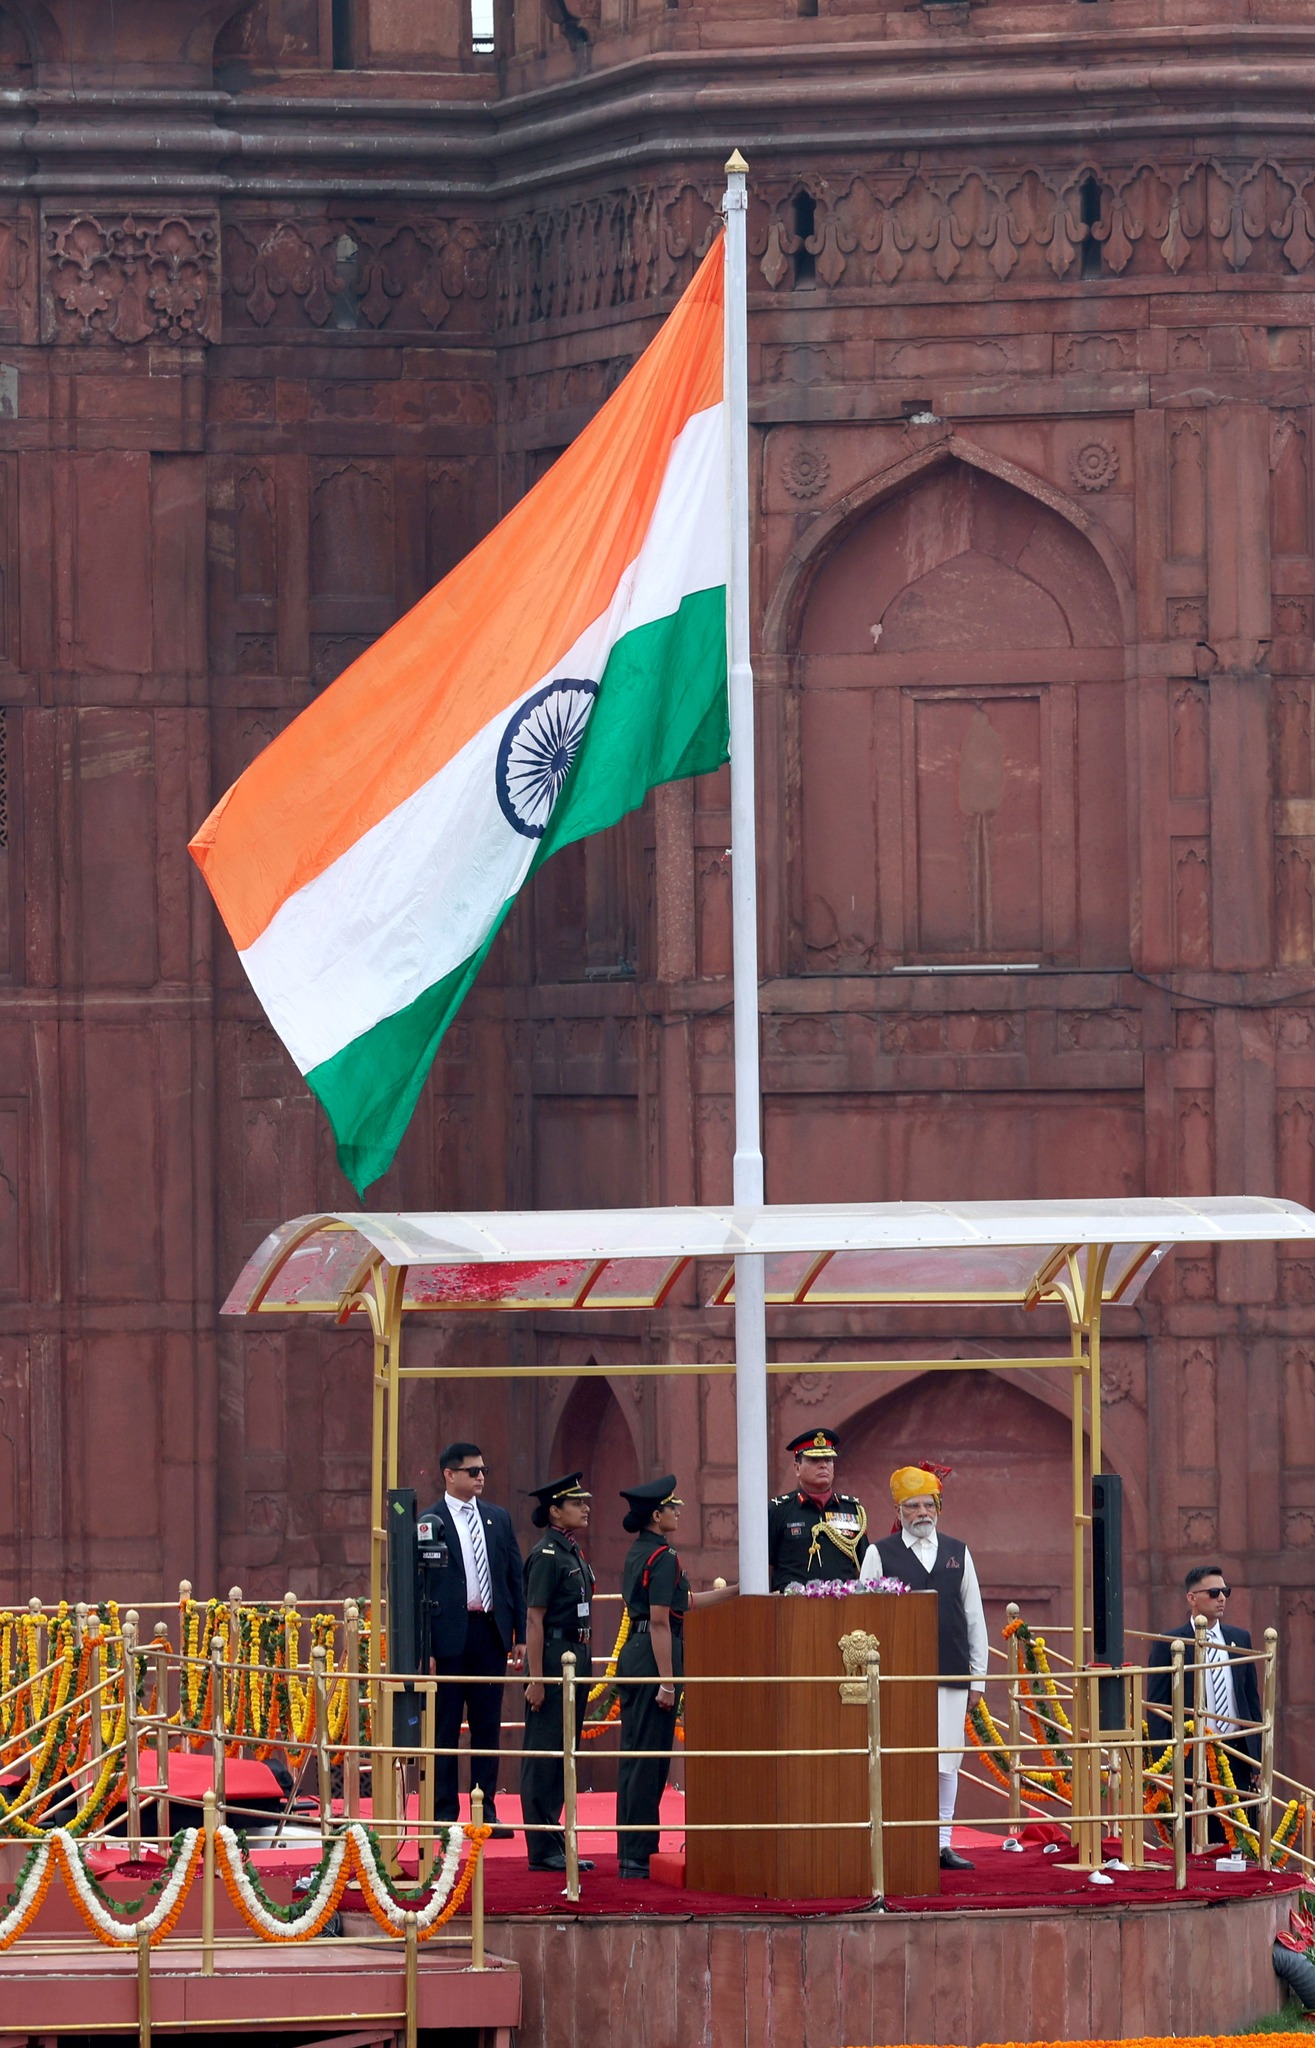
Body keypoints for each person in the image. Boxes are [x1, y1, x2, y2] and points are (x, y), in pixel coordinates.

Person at [861, 1463, 987, 1871]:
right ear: (898, 1512)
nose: (921, 1513)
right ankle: (899, 1843)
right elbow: (864, 1614)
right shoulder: (880, 1553)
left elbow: (974, 1618)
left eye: (927, 1505)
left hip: (950, 1671)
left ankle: (941, 1844)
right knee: (902, 1758)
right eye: (912, 1506)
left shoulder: (958, 1552)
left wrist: (978, 1679)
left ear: (939, 1508)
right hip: (899, 1678)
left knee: (946, 1760)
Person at [615, 1476, 737, 1880]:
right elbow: (662, 1622)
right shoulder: (663, 1556)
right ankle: (639, 1852)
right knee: (649, 1758)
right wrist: (667, 1682)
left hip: (637, 1654)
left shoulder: (642, 1552)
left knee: (636, 1754)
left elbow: (682, 1601)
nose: (678, 1511)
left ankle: (631, 1849)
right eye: (673, 1507)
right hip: (654, 1657)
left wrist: (734, 1591)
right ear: (656, 1515)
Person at [419, 1441, 526, 1837]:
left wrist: (519, 1634)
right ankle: (443, 1814)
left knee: (487, 1725)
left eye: (483, 1470)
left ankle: (486, 1809)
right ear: (449, 1474)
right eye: (472, 1471)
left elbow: (513, 1577)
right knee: (446, 1725)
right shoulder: (430, 1520)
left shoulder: (498, 1518)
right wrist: (425, 1648)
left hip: (489, 1633)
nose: (480, 1477)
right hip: (448, 1636)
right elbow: (419, 1587)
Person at [1146, 1564, 1262, 1833]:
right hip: (1190, 1754)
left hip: (1235, 1753)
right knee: (1193, 1834)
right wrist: (1163, 1763)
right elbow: (1156, 1706)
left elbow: (1251, 1701)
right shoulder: (1170, 1642)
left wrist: (1255, 1756)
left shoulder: (1239, 1638)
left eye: (1225, 1591)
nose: (1222, 1598)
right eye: (1214, 1592)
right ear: (1192, 1598)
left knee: (1236, 1836)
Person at [520, 1471, 597, 1873]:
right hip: (553, 1656)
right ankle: (542, 1845)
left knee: (566, 1749)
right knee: (546, 1751)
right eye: (576, 1502)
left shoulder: (571, 1552)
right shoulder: (547, 1555)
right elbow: (534, 1620)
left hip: (577, 1651)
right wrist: (537, 1679)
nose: (585, 1508)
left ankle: (555, 1840)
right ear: (554, 1511)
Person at [767, 1427, 870, 1590]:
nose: (823, 1465)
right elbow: (764, 1566)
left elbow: (864, 1565)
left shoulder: (852, 1510)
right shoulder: (778, 1510)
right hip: (792, 1607)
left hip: (842, 1606)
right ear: (797, 1468)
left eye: (828, 1460)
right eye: (814, 1461)